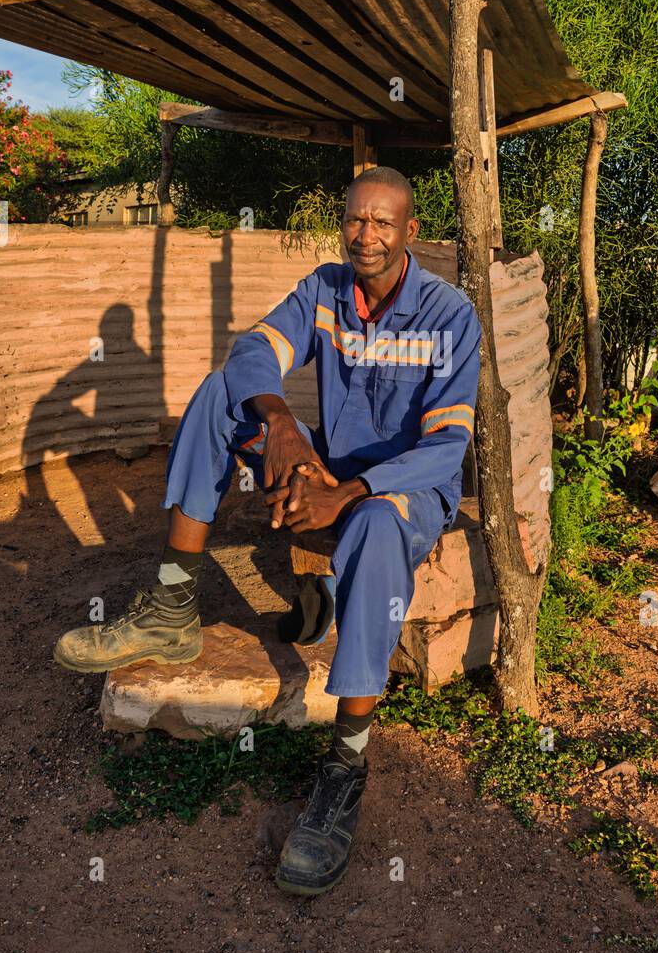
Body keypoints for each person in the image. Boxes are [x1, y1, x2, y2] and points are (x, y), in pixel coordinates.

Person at [53, 166, 482, 896]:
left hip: (403, 489)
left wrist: (345, 490)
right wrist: (282, 425)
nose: (366, 235)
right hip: (326, 471)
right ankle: (170, 608)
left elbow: (445, 448)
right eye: (355, 220)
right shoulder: (323, 290)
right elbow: (253, 351)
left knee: (376, 525)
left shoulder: (448, 315)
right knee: (225, 394)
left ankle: (345, 768)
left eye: (383, 223)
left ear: (410, 231)